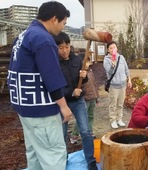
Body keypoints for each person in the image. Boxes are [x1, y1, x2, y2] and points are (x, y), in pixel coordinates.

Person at [7, 1, 72, 169]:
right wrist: (64, 106)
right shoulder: (44, 39)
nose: (62, 28)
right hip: (41, 110)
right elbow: (51, 76)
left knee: (35, 152)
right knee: (53, 155)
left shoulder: (24, 35)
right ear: (54, 19)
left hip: (24, 107)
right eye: (63, 23)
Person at [53, 32, 97, 170]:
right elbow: (55, 86)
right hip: (62, 102)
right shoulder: (53, 62)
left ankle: (90, 160)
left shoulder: (77, 60)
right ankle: (63, 159)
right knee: (62, 132)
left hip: (78, 101)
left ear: (70, 46)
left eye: (66, 47)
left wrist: (84, 77)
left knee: (85, 131)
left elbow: (83, 81)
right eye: (61, 48)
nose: (64, 50)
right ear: (56, 48)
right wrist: (70, 92)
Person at [103, 41, 132, 129]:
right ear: (108, 50)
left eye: (114, 47)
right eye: (110, 48)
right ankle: (113, 120)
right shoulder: (106, 60)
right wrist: (112, 64)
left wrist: (129, 79)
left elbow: (126, 69)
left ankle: (119, 119)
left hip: (123, 85)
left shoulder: (121, 57)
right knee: (113, 104)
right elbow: (109, 72)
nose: (113, 50)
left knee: (120, 103)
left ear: (117, 48)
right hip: (113, 86)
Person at [70, 62, 100, 143]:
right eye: (84, 62)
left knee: (90, 116)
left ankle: (90, 131)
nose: (86, 64)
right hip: (84, 99)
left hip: (92, 98)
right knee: (81, 118)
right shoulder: (79, 74)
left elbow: (95, 85)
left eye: (88, 62)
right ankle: (74, 135)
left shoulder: (90, 72)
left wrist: (97, 97)